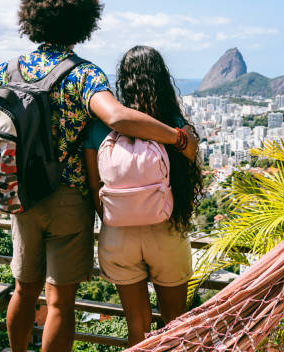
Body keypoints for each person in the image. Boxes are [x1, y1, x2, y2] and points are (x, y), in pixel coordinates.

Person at [0, 0, 196, 352]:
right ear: (83, 22)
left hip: (19, 195)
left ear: (31, 18)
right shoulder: (83, 74)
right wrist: (177, 136)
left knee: (23, 288)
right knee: (58, 302)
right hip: (67, 198)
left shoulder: (6, 69)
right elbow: (116, 117)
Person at [84, 45, 202, 346]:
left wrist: (114, 218)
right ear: (162, 78)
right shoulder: (175, 127)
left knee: (138, 326)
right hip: (166, 230)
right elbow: (190, 164)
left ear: (123, 80)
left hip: (117, 234)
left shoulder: (99, 127)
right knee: (175, 322)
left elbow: (94, 187)